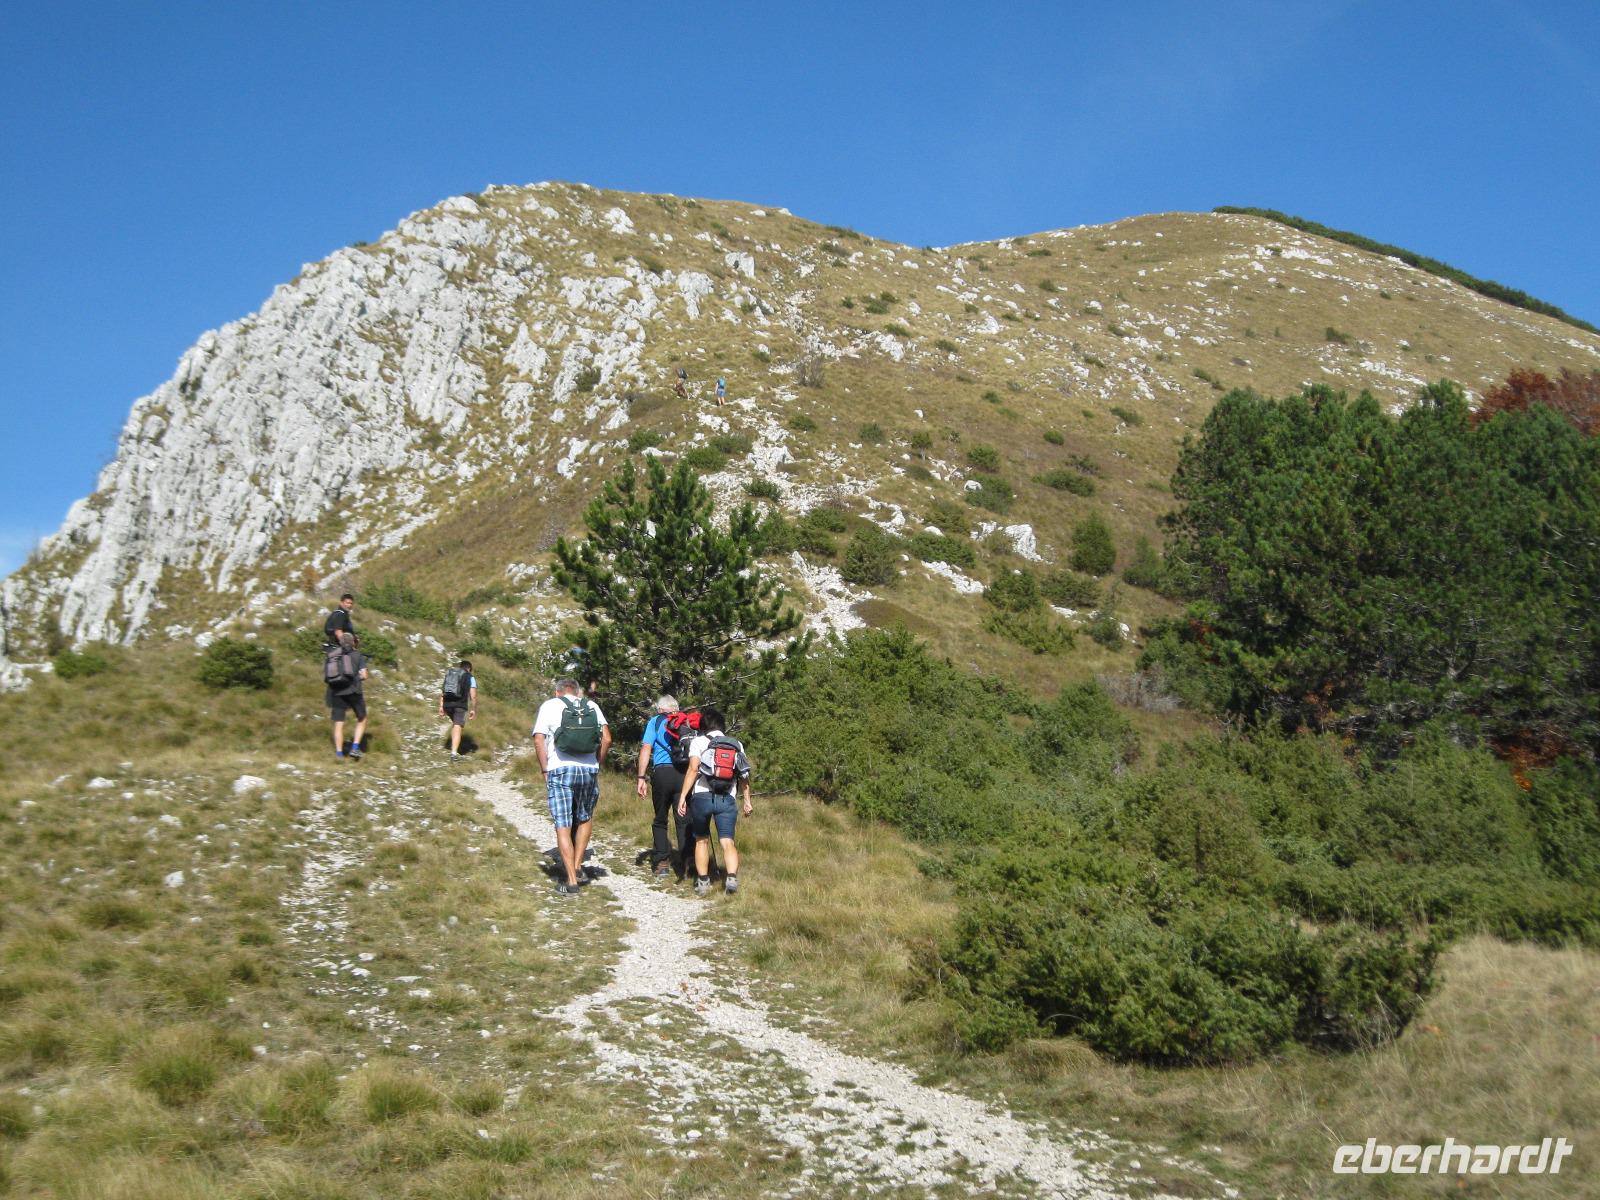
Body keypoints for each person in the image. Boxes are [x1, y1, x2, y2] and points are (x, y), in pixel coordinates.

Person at [533, 677, 611, 896]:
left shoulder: (549, 705)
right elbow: (606, 739)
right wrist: (596, 764)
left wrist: (545, 769)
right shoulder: (592, 706)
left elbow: (539, 740)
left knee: (563, 824)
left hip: (560, 769)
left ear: (558, 692)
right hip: (588, 770)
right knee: (585, 817)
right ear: (577, 692)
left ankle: (571, 881)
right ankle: (577, 865)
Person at [676, 706, 752, 896]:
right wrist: (747, 800)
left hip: (702, 796)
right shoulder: (737, 744)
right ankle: (731, 878)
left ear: (704, 725)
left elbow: (693, 769)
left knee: (701, 840)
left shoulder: (698, 742)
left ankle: (703, 882)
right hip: (727, 797)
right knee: (728, 841)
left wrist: (683, 797)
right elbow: (743, 775)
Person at [637, 695, 690, 879]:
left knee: (660, 819)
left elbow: (646, 748)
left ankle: (662, 863)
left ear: (660, 709)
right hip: (684, 774)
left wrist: (641, 777)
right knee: (683, 818)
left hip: (662, 773)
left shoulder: (655, 721)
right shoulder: (686, 721)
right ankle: (687, 863)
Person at [327, 631, 369, 760]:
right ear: (353, 642)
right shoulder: (358, 655)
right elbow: (364, 675)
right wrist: (358, 677)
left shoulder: (332, 655)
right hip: (354, 692)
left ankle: (339, 754)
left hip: (337, 692)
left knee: (339, 724)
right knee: (362, 718)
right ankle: (355, 747)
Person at [439, 659, 477, 758]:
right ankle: (453, 754)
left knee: (455, 724)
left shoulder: (451, 674)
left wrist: (441, 706)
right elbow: (473, 695)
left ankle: (452, 746)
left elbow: (443, 691)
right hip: (460, 705)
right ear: (469, 669)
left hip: (447, 704)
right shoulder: (470, 677)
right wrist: (473, 709)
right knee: (457, 725)